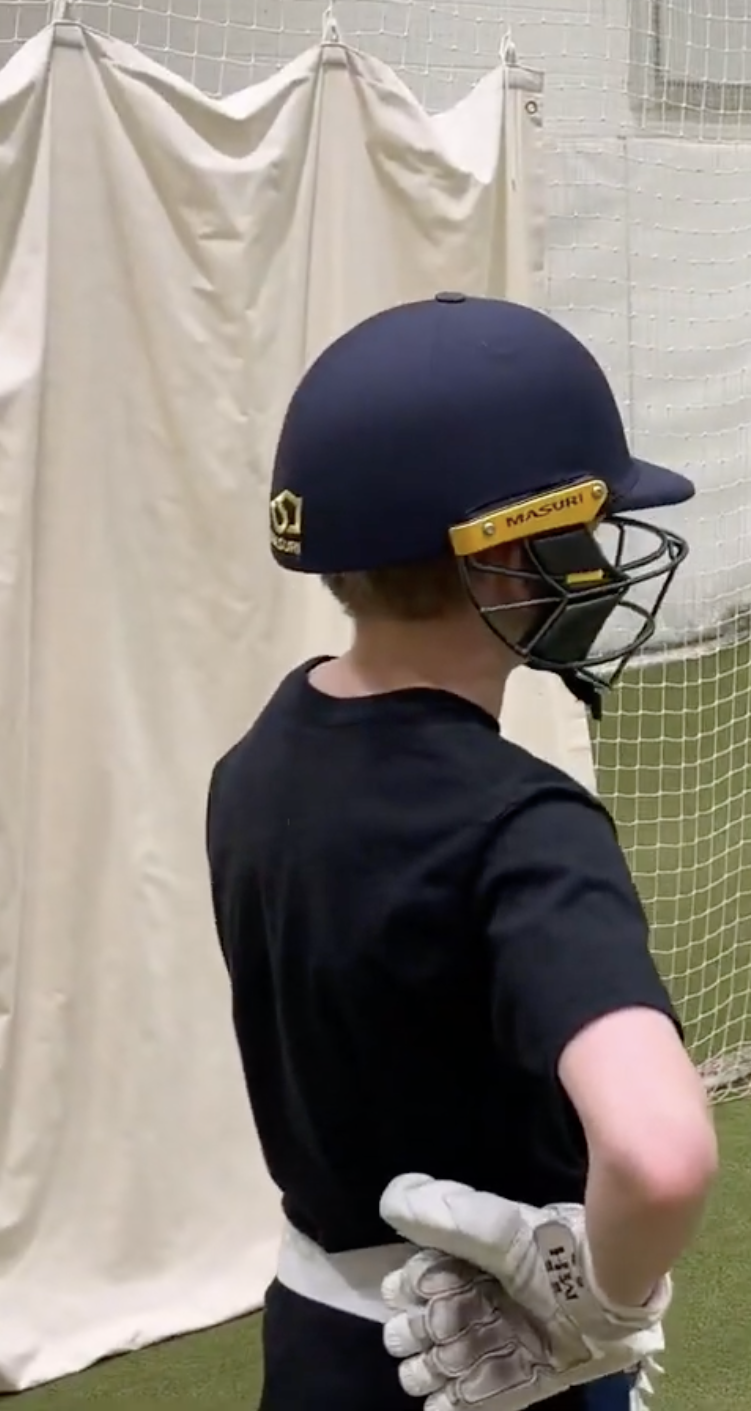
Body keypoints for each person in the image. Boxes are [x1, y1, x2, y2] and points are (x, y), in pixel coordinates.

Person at [207, 291, 719, 1410]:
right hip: (497, 1369)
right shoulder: (524, 822)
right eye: (574, 529)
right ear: (500, 561)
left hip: (319, 1345)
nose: (597, 554)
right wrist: (599, 1310)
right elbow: (660, 1150)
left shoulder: (250, 768)